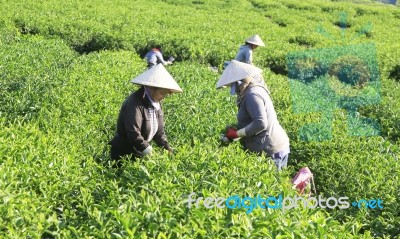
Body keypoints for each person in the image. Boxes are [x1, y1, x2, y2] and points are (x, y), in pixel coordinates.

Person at [216, 60, 290, 170]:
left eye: (233, 85)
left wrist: (237, 134)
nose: (234, 90)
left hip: (271, 150)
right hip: (271, 146)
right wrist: (237, 128)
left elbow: (260, 123)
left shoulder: (252, 95)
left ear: (239, 82)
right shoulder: (252, 90)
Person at [109, 64, 182, 162]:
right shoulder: (134, 103)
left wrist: (167, 148)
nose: (163, 96)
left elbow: (159, 133)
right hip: (124, 153)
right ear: (151, 88)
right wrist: (149, 151)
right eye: (162, 92)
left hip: (139, 151)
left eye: (165, 93)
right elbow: (133, 133)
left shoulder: (156, 103)